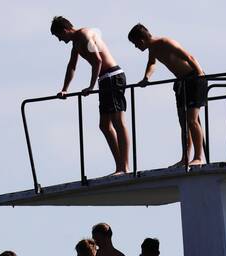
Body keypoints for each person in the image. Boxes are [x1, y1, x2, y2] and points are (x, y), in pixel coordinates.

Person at [50, 17, 130, 176]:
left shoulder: (85, 35)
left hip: (113, 76)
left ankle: (125, 167)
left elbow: (98, 61)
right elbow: (72, 65)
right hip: (105, 79)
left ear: (65, 30)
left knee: (118, 122)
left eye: (59, 36)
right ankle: (119, 166)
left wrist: (91, 86)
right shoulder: (76, 43)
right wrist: (64, 89)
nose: (60, 40)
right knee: (104, 126)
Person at [127, 24, 207, 167]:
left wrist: (199, 76)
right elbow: (152, 63)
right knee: (184, 123)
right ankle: (185, 158)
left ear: (141, 40)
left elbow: (189, 57)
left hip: (194, 78)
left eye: (135, 44)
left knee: (192, 120)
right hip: (181, 82)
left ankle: (198, 157)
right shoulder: (153, 49)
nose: (135, 47)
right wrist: (146, 78)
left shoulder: (165, 42)